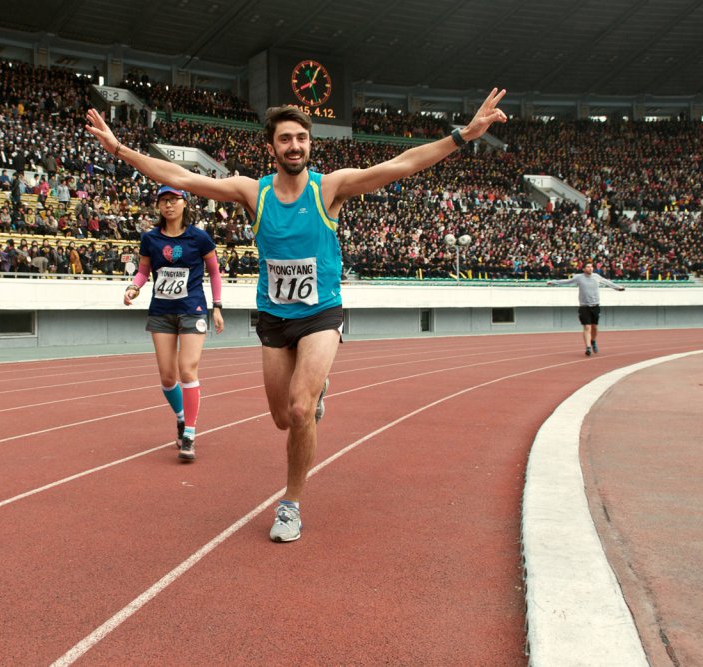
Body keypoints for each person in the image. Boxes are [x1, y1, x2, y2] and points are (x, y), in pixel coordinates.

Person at [86, 88, 508, 542]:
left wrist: (465, 135)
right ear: (271, 147)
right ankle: (316, 386)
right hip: (273, 316)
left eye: (302, 138)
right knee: (281, 419)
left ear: (310, 144)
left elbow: (401, 164)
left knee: (301, 408)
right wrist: (117, 148)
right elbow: (180, 177)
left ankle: (290, 503)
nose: (295, 146)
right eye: (285, 139)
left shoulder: (330, 187)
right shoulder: (254, 192)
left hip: (321, 312)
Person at [124, 185, 224, 461]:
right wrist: (134, 287)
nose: (168, 205)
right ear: (158, 206)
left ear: (184, 204)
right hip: (161, 312)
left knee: (187, 370)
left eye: (173, 200)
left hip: (192, 309)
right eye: (163, 201)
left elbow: (214, 273)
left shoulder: (199, 238)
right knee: (168, 378)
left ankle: (189, 433)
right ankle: (181, 418)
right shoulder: (150, 238)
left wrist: (217, 306)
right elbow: (144, 270)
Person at [547, 261, 626, 355]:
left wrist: (618, 288)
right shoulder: (579, 277)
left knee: (594, 327)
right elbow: (566, 281)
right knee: (587, 327)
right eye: (588, 267)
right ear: (583, 269)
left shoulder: (596, 276)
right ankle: (588, 347)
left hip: (595, 305)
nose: (590, 268)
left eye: (591, 267)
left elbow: (607, 282)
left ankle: (593, 341)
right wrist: (553, 282)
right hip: (584, 306)